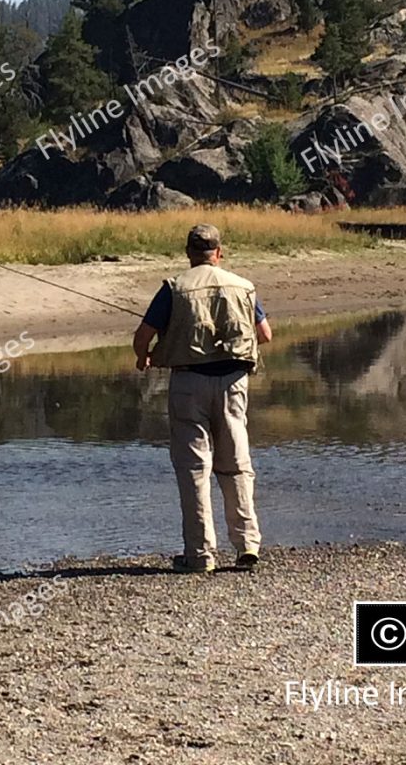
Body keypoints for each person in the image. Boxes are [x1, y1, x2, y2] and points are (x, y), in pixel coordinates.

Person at [133, 223, 272, 574]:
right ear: (219, 253)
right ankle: (247, 546)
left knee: (194, 469)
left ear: (188, 253)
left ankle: (200, 555)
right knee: (236, 463)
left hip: (188, 383)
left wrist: (144, 357)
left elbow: (143, 336)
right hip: (233, 383)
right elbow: (265, 334)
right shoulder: (244, 286)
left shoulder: (173, 288)